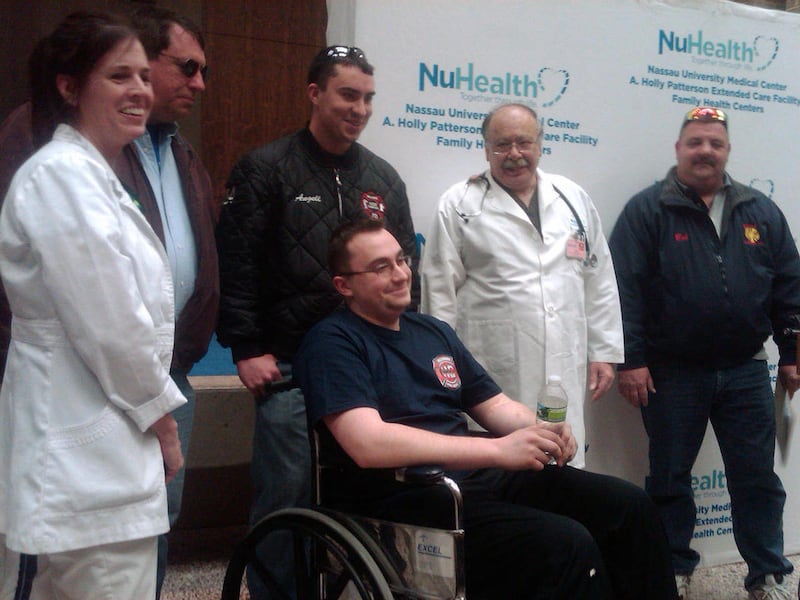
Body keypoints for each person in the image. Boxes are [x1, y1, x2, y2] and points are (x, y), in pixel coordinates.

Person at [293, 218, 677, 599]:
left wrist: (541, 428)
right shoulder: (333, 343)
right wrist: (497, 450)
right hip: (406, 496)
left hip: (473, 481)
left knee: (629, 508)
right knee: (565, 544)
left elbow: (494, 405)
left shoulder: (431, 332)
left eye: (401, 260)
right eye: (381, 267)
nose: (399, 274)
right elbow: (368, 443)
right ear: (344, 285)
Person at [0, 7, 218, 596]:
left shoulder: (97, 176)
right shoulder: (60, 176)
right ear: (69, 87)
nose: (140, 91)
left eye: (145, 76)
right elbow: (112, 325)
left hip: (111, 448)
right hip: (81, 453)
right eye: (119, 76)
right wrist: (162, 421)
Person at [215, 45, 418, 598]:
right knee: (287, 495)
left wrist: (409, 349)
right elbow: (235, 262)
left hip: (366, 366)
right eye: (348, 94)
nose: (359, 109)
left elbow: (405, 271)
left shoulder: (383, 178)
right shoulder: (266, 168)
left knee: (366, 491)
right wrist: (246, 345)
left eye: (368, 98)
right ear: (315, 93)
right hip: (287, 363)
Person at [608, 106, 800, 600]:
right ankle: (672, 571)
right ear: (679, 149)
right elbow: (622, 290)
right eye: (695, 142)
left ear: (728, 151)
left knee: (757, 478)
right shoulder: (647, 211)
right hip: (672, 373)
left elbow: (789, 288)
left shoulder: (759, 210)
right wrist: (631, 360)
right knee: (670, 479)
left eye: (715, 143)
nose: (705, 151)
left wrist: (793, 350)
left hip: (746, 370)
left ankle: (767, 574)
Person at [421, 103, 622, 468]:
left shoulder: (573, 199)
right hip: (494, 367)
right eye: (501, 145)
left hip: (563, 359)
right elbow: (438, 289)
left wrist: (605, 350)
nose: (514, 154)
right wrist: (441, 368)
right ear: (485, 149)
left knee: (564, 463)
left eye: (523, 142)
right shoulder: (460, 204)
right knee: (505, 473)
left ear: (540, 144)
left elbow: (599, 276)